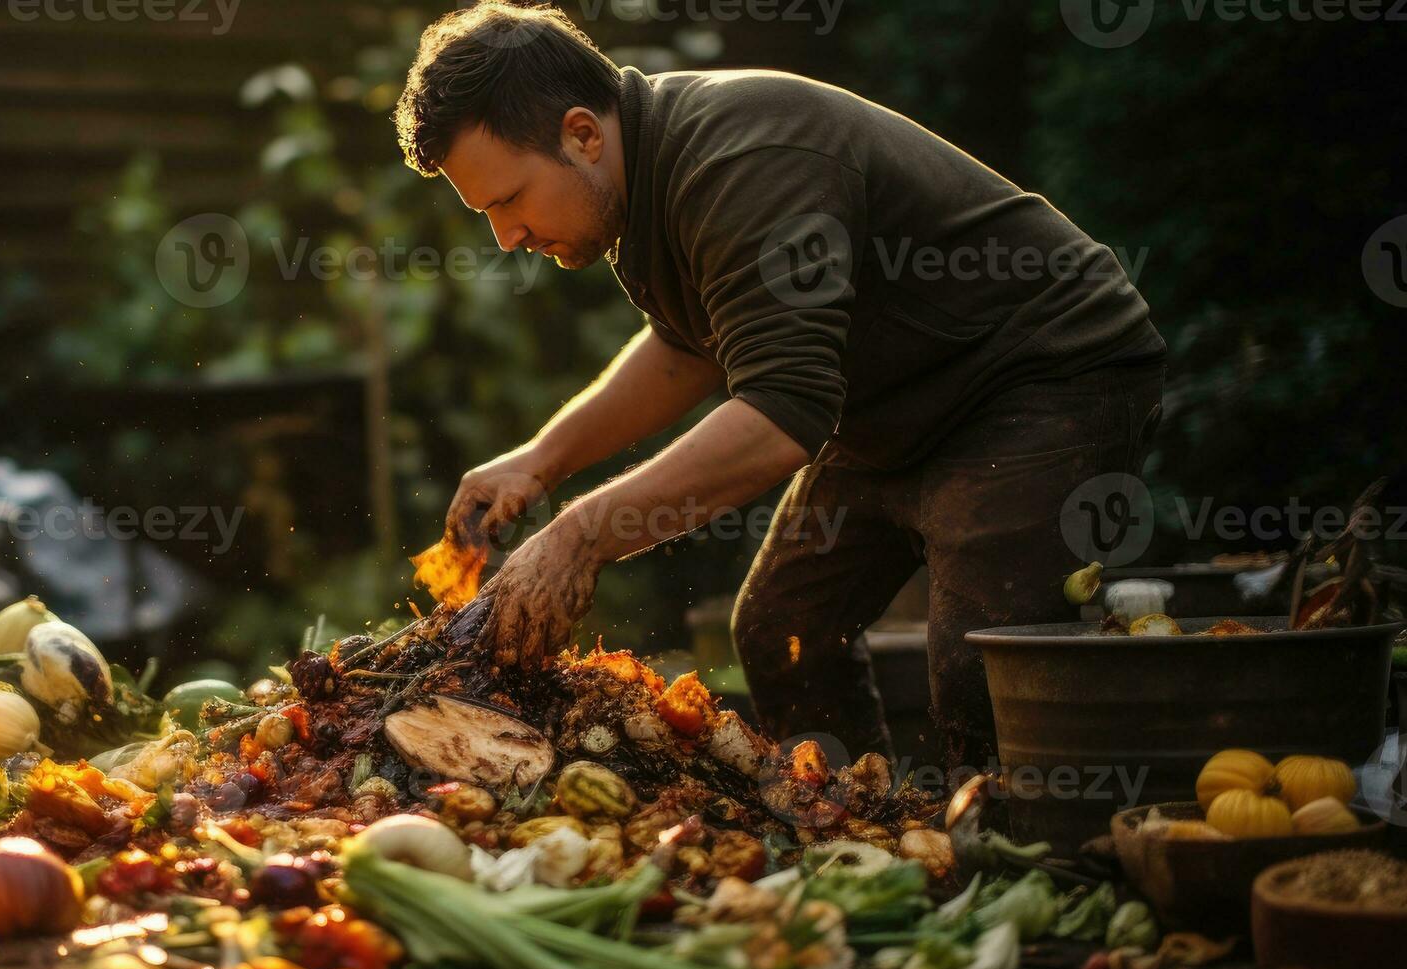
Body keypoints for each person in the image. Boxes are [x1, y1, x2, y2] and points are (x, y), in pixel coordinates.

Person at [394, 2, 1166, 766]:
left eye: (507, 201)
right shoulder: (642, 180)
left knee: (980, 674)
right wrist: (540, 460)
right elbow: (689, 350)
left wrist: (581, 536)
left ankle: (1033, 865)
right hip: (898, 405)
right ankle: (857, 835)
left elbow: (780, 415)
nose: (507, 237)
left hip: (1042, 379)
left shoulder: (742, 159)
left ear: (583, 134)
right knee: (784, 631)